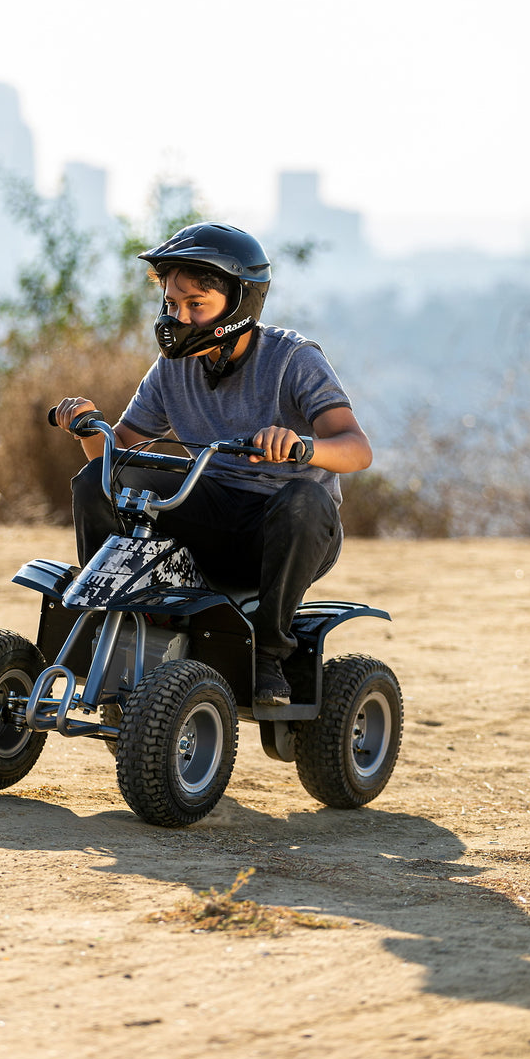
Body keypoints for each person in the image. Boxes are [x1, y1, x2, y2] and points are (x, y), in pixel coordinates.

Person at [53, 221, 372, 706]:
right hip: (211, 514)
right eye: (171, 304)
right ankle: (108, 621)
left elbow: (356, 448)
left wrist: (302, 446)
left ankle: (268, 655)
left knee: (303, 500)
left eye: (194, 306)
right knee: (98, 480)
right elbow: (115, 457)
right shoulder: (173, 367)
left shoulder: (292, 359)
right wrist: (87, 429)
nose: (177, 318)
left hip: (284, 532)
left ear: (239, 302)